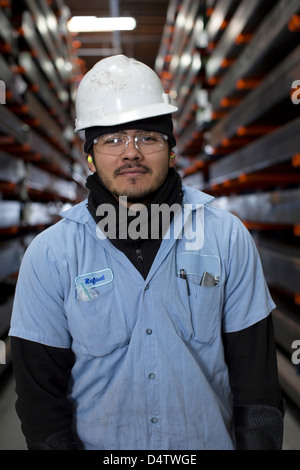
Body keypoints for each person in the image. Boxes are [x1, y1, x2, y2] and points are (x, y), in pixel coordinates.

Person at [9, 55, 284, 451]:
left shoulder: (225, 237)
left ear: (171, 149)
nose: (131, 153)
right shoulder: (52, 254)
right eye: (113, 139)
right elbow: (40, 401)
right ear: (90, 153)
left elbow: (256, 381)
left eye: (148, 137)